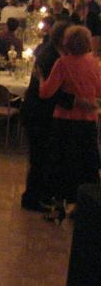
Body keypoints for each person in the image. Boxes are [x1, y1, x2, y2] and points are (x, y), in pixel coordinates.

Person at [38, 25, 101, 221]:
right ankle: (81, 207)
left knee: (60, 165)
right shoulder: (93, 63)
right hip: (88, 122)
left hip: (65, 121)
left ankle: (58, 209)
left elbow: (46, 92)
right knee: (85, 165)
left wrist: (40, 79)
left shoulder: (63, 63)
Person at [20, 21, 69, 211]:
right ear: (61, 38)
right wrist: (74, 101)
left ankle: (37, 196)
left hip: (37, 112)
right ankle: (32, 199)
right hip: (39, 114)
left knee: (41, 157)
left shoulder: (50, 52)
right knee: (39, 158)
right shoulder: (51, 57)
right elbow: (49, 92)